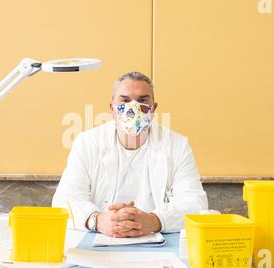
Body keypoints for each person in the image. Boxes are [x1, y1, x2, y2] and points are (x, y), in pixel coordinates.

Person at [52, 72, 208, 237]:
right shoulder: (87, 143)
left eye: (142, 101)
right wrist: (97, 220)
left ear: (153, 108)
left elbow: (194, 202)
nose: (133, 108)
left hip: (158, 242)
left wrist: (155, 220)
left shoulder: (177, 145)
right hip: (99, 239)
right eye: (125, 101)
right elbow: (64, 200)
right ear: (112, 108)